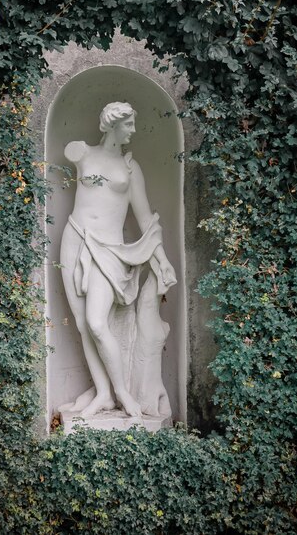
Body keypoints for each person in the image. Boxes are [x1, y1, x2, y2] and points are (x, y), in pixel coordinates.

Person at [60, 101, 176, 417]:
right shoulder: (81, 152)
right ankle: (103, 394)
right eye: (129, 125)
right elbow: (68, 158)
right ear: (113, 123)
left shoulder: (129, 168)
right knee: (85, 325)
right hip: (75, 238)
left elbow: (143, 218)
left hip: (109, 250)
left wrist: (162, 260)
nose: (133, 131)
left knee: (98, 323)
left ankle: (123, 393)